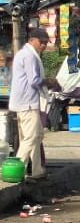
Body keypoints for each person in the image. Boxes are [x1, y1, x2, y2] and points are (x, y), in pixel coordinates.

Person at [11, 29, 58, 181]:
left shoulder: (24, 54)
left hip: (25, 101)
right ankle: (16, 169)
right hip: (27, 102)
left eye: (45, 43)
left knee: (37, 135)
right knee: (31, 137)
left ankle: (37, 170)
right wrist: (49, 81)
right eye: (42, 42)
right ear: (32, 40)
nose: (44, 45)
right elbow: (34, 81)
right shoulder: (29, 56)